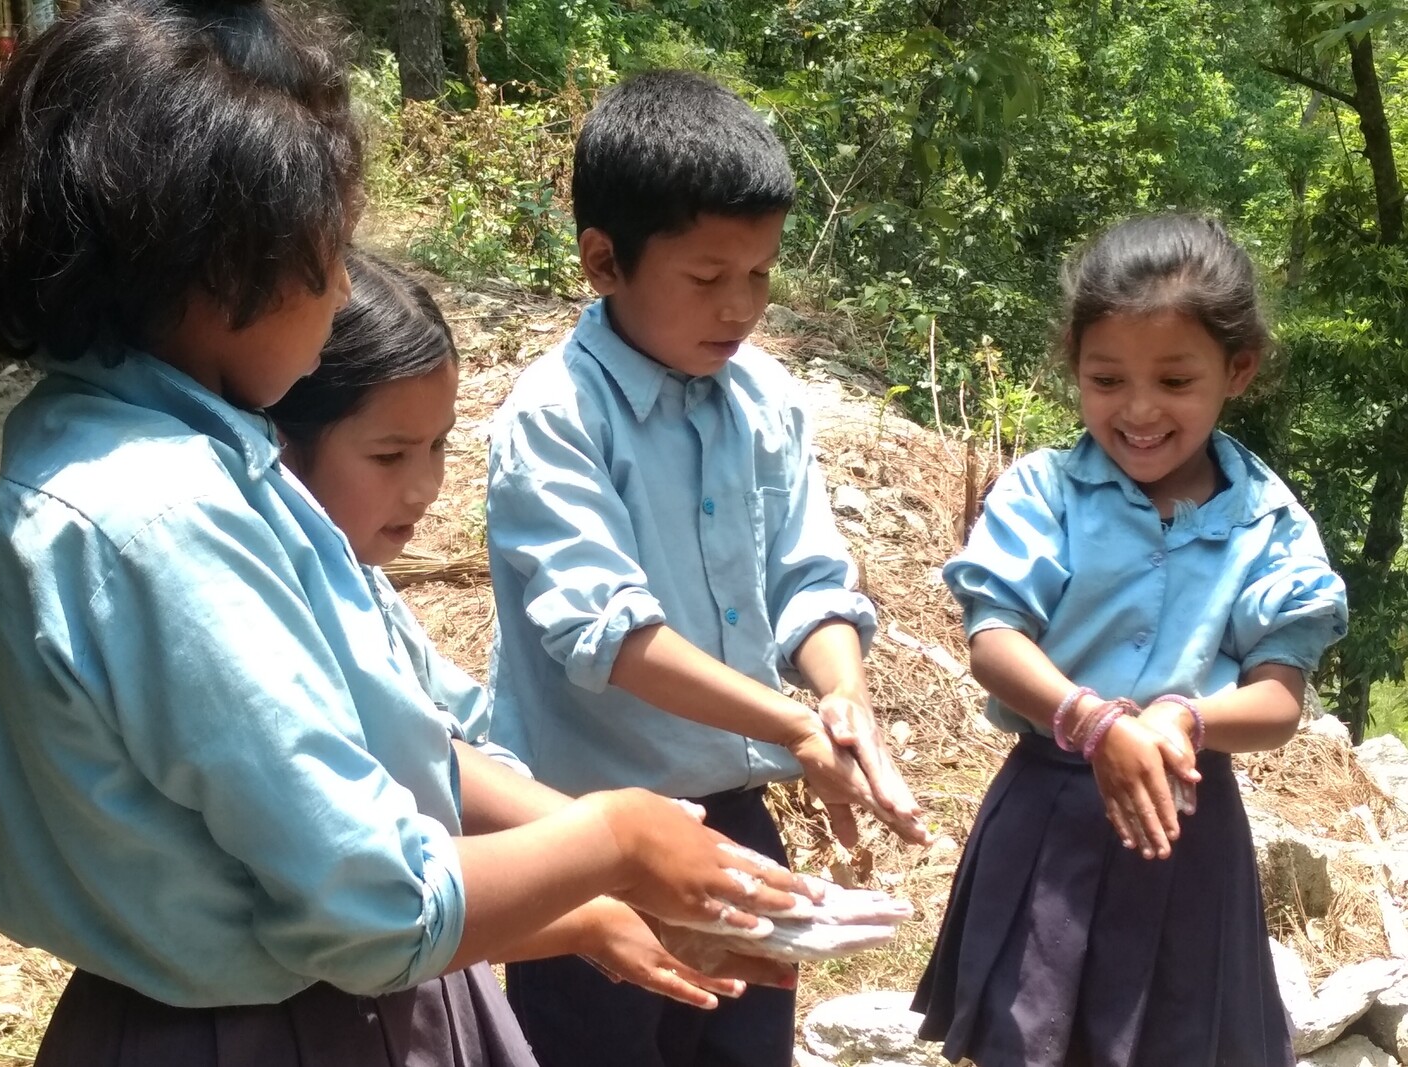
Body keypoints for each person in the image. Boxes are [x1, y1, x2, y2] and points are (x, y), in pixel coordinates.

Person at [0, 6, 810, 1062]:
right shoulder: (158, 513)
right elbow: (371, 901)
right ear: (224, 268)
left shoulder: (178, 456)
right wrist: (614, 836)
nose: (346, 286)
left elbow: (406, 735)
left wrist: (609, 871)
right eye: (326, 250)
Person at [485, 69, 931, 1067]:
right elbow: (613, 638)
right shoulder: (554, 418)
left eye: (761, 274)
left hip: (734, 819)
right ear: (604, 261)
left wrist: (841, 700)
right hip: (580, 834)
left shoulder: (764, 400)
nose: (740, 307)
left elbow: (810, 582)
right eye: (706, 276)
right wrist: (793, 725)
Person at [269, 248, 802, 1009]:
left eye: (440, 446)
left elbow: (443, 752)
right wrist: (610, 854)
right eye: (389, 454)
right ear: (279, 442)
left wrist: (623, 883)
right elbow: (357, 895)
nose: (425, 487)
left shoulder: (359, 587)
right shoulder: (271, 614)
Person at [911, 213, 1349, 1067]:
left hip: (1186, 832)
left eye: (1175, 380)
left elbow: (1277, 698)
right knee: (1027, 1038)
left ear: (1239, 369)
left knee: (1177, 1040)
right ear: (1073, 363)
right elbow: (994, 635)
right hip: (1047, 817)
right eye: (1107, 378)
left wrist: (1182, 720)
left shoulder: (1268, 524)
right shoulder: (1045, 491)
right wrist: (1092, 720)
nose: (1139, 410)